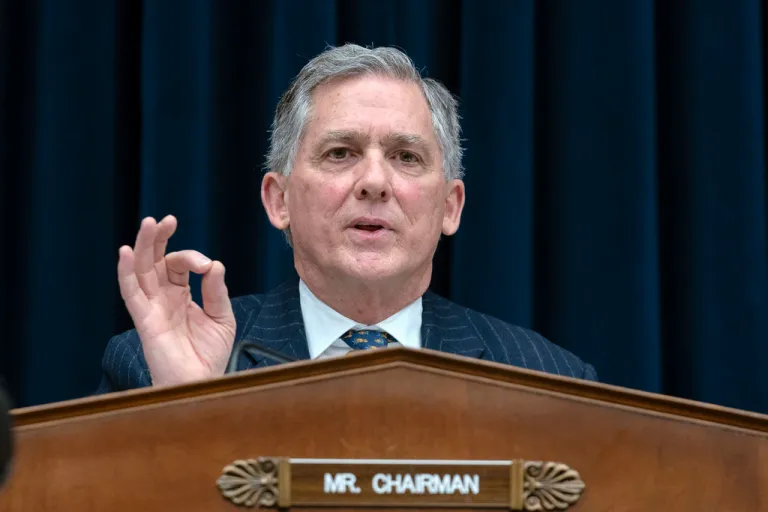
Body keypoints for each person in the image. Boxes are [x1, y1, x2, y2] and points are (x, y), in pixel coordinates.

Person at [96, 44, 597, 393]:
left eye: (406, 156)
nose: (374, 181)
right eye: (340, 153)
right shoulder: (148, 366)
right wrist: (190, 407)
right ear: (279, 200)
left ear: (450, 207)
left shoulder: (548, 380)